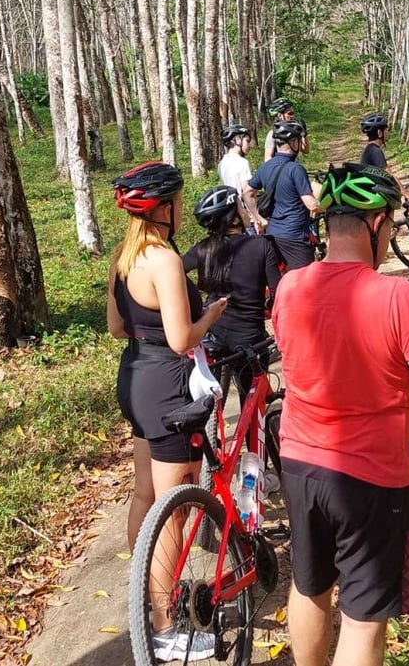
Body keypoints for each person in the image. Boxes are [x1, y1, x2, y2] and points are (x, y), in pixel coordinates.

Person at [272, 163, 409, 666]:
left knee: (310, 586)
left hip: (299, 465)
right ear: (377, 224)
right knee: (363, 623)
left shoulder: (291, 287)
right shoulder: (397, 296)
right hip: (371, 479)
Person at [107, 161, 229, 662]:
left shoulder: (123, 256)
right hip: (169, 385)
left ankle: (144, 594)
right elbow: (181, 339)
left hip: (135, 376)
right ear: (165, 209)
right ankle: (164, 625)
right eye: (178, 202)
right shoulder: (164, 261)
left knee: (145, 494)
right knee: (174, 508)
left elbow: (117, 327)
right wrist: (210, 315)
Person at [183, 185, 282, 406]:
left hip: (211, 333)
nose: (246, 211)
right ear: (233, 218)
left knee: (207, 406)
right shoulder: (261, 246)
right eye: (242, 206)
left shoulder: (203, 248)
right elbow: (280, 294)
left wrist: (192, 305)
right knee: (253, 406)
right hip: (249, 341)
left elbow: (175, 273)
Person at [245, 120, 319, 271]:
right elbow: (311, 205)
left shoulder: (265, 166)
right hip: (295, 238)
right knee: (303, 280)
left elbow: (247, 192)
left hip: (272, 235)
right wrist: (331, 206)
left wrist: (258, 219)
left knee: (279, 279)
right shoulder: (296, 169)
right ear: (294, 142)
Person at [218, 123, 265, 231]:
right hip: (246, 216)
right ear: (237, 140)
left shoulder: (222, 163)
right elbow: (246, 193)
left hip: (231, 214)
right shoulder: (242, 162)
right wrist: (256, 219)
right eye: (247, 141)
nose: (250, 145)